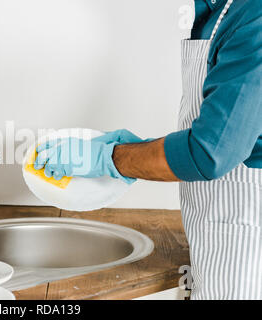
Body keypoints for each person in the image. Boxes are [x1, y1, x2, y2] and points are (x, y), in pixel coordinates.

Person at [34, 0, 262, 299]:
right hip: (220, 235)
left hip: (248, 249)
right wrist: (132, 150)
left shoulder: (254, 17)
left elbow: (209, 153)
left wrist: (112, 157)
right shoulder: (217, 12)